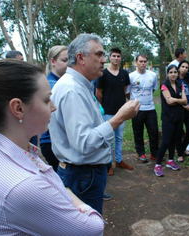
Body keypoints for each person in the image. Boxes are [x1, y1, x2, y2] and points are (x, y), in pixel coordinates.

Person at [0, 60, 105, 235]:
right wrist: (67, 193)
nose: (53, 107)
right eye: (46, 100)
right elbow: (93, 229)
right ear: (18, 108)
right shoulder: (23, 187)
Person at [49, 34, 140, 215]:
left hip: (84, 173)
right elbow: (84, 143)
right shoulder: (72, 90)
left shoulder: (81, 85)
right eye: (99, 54)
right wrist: (119, 118)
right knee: (87, 227)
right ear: (80, 58)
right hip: (83, 175)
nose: (104, 60)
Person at [96, 47, 133, 175]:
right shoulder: (103, 74)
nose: (116, 58)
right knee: (108, 139)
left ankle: (119, 160)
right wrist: (105, 106)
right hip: (108, 112)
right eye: (114, 56)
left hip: (121, 111)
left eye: (118, 56)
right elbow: (98, 93)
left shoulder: (124, 74)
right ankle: (108, 163)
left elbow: (124, 91)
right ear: (109, 57)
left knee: (119, 137)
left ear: (120, 58)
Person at [39, 45, 68, 172]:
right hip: (52, 142)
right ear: (53, 61)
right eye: (64, 60)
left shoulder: (60, 82)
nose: (69, 64)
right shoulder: (52, 85)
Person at [154, 65, 186, 177]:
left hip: (179, 117)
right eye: (171, 72)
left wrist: (176, 100)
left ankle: (170, 160)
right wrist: (180, 100)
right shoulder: (164, 85)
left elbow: (185, 100)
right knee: (166, 141)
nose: (173, 74)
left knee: (175, 139)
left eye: (175, 72)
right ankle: (157, 165)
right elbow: (169, 102)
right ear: (168, 73)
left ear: (178, 73)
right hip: (168, 117)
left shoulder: (179, 84)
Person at [127, 54, 159, 163]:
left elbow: (153, 89)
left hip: (150, 108)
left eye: (145, 61)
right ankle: (141, 153)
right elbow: (128, 93)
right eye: (140, 61)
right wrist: (135, 102)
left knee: (153, 131)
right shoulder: (131, 76)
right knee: (138, 132)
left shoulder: (153, 75)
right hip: (137, 109)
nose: (143, 63)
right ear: (136, 63)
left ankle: (154, 153)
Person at [176, 60, 189, 161]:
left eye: (187, 67)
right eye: (183, 66)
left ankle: (183, 149)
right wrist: (184, 106)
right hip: (179, 110)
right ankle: (180, 153)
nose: (184, 69)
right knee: (179, 132)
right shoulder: (175, 80)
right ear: (179, 67)